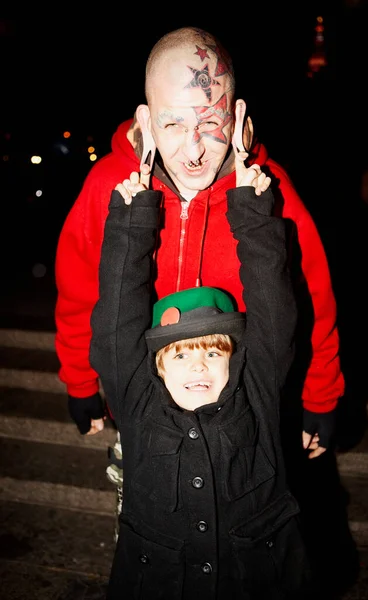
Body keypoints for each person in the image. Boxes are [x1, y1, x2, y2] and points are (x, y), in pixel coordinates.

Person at [54, 25, 347, 587]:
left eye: (208, 125)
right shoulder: (111, 188)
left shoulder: (266, 188)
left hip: (245, 407)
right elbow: (80, 294)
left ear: (236, 118)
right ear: (145, 122)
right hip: (147, 412)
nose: (192, 150)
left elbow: (310, 296)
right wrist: (81, 382)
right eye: (173, 125)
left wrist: (320, 393)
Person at [89, 146, 312, 599]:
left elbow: (274, 311)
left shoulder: (256, 394)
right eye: (181, 355)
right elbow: (116, 323)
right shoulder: (138, 403)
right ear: (156, 366)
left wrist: (252, 211)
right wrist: (131, 223)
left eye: (213, 353)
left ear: (235, 359)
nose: (197, 364)